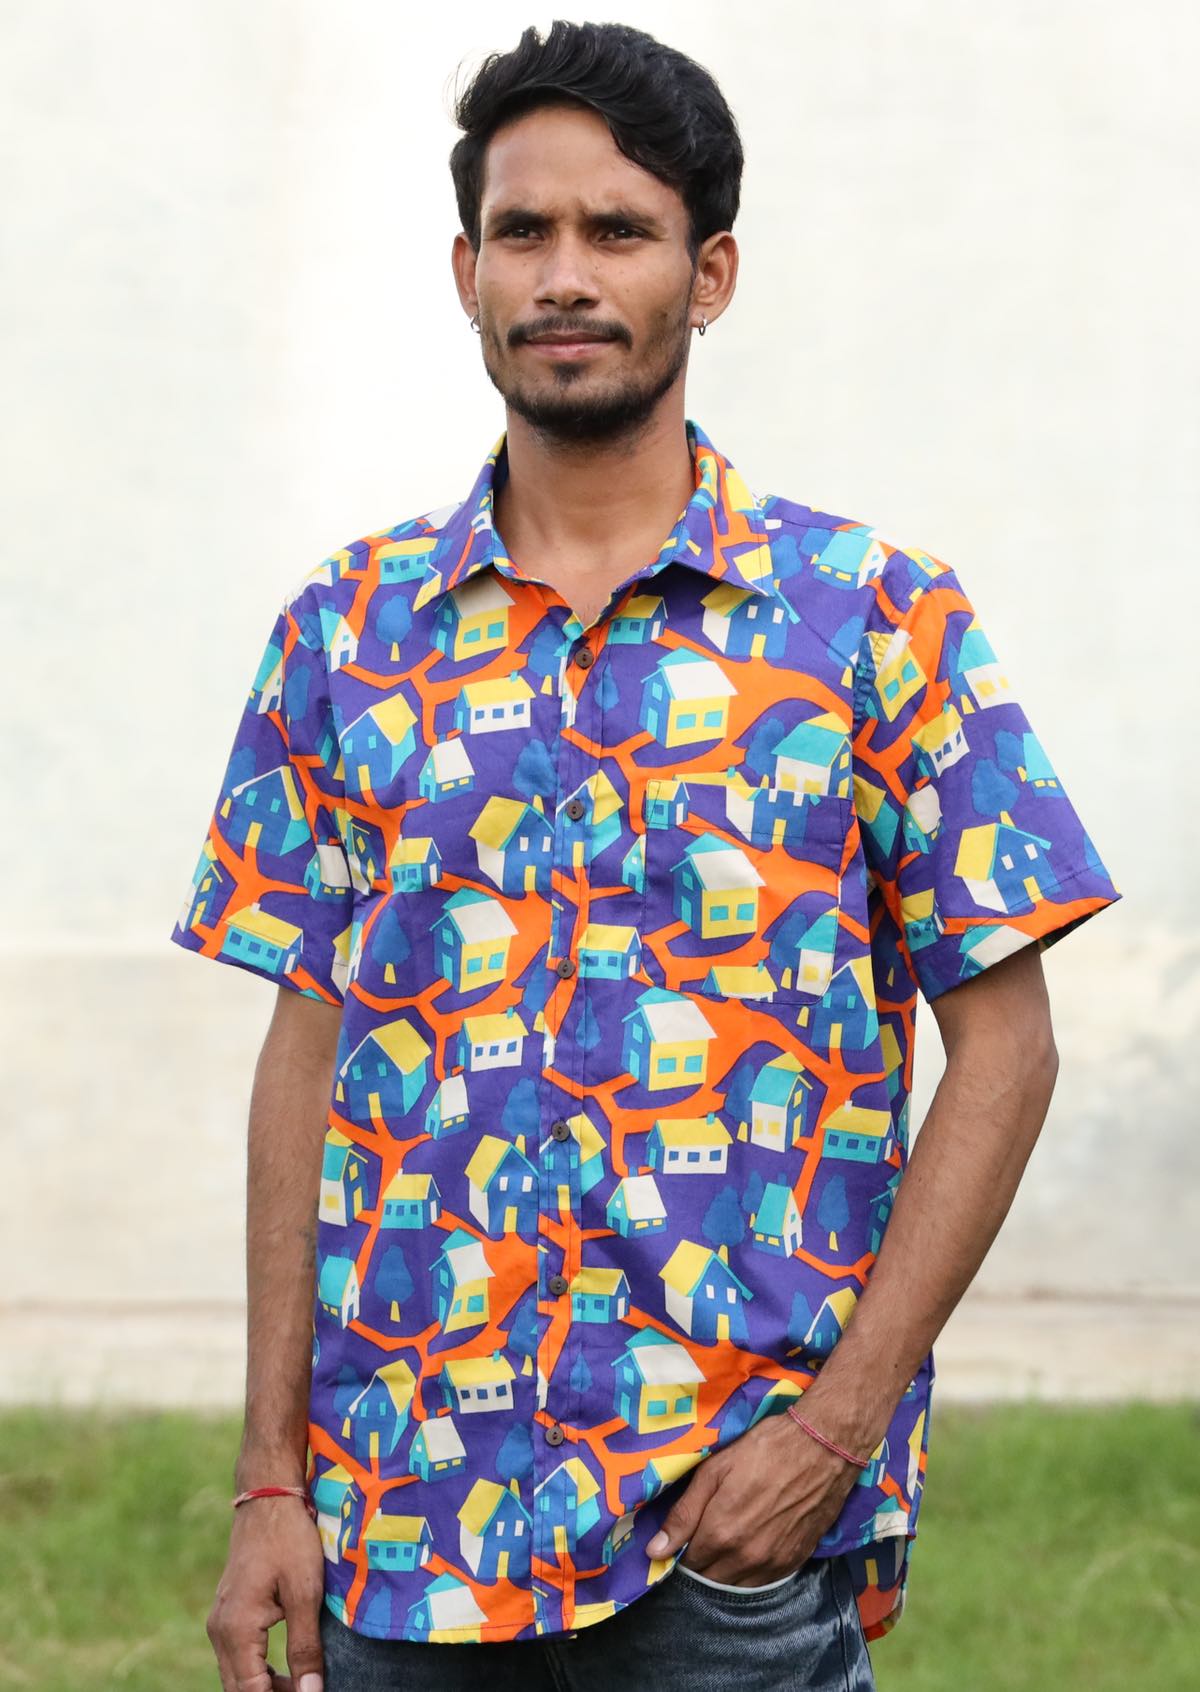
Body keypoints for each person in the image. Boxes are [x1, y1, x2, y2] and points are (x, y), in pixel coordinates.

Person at [170, 19, 1122, 1692]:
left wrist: (836, 1432)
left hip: (726, 1535)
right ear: (465, 269)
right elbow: (305, 1054)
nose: (566, 275)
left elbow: (1009, 1048)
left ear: (712, 272)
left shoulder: (874, 621)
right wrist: (269, 1479)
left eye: (619, 231)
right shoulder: (347, 630)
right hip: (407, 1532)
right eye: (524, 232)